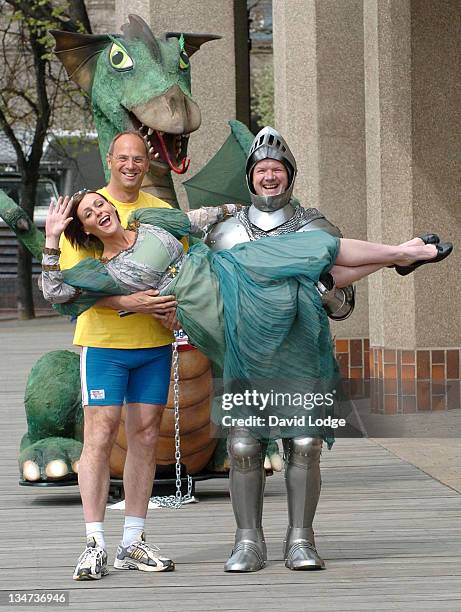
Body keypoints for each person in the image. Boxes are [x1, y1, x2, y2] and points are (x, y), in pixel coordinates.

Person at [41, 174, 451, 577]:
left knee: (308, 248)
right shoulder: (102, 270)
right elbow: (56, 292)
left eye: (100, 203)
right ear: (86, 229)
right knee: (301, 283)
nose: (100, 211)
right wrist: (53, 239)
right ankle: (399, 258)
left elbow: (199, 220)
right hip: (208, 308)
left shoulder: (150, 222)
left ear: (112, 206)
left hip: (227, 267)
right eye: (89, 213)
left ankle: (401, 252)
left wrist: (238, 210)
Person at [53, 131, 234, 581]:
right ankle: (93, 541)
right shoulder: (85, 211)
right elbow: (73, 291)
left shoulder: (158, 211)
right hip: (104, 346)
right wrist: (132, 303)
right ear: (109, 160)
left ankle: (133, 541)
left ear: (146, 160)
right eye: (123, 158)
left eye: (138, 158)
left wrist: (181, 310)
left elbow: (186, 269)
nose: (131, 165)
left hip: (155, 345)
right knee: (99, 435)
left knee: (148, 435)